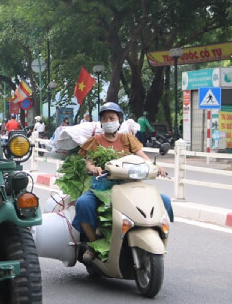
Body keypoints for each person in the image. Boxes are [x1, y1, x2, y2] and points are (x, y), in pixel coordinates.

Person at [71, 102, 173, 263]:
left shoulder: (127, 139)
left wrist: (155, 165)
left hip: (129, 185)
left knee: (164, 201)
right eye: (104, 118)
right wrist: (93, 168)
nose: (108, 121)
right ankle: (93, 244)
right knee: (83, 204)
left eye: (111, 118)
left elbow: (142, 156)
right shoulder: (95, 140)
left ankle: (156, 234)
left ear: (119, 119)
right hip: (102, 187)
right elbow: (88, 161)